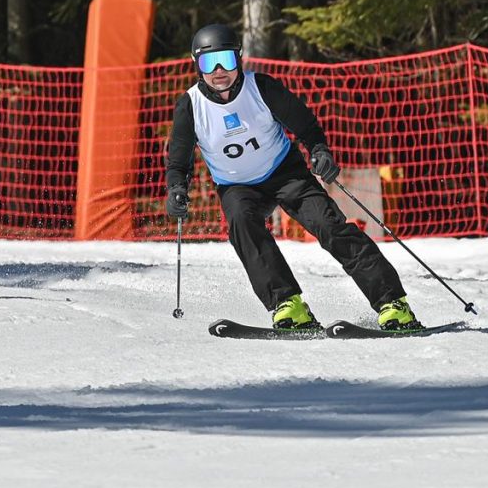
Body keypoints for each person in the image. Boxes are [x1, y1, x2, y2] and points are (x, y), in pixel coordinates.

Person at [164, 23, 423, 331]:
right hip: (236, 186)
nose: (219, 71)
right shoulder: (191, 105)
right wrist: (176, 189)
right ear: (197, 65)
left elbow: (306, 124)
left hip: (285, 174)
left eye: (226, 60)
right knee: (242, 225)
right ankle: (288, 305)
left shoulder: (261, 88)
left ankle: (393, 304)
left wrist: (320, 151)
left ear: (239, 59)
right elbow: (178, 159)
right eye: (209, 63)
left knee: (329, 226)